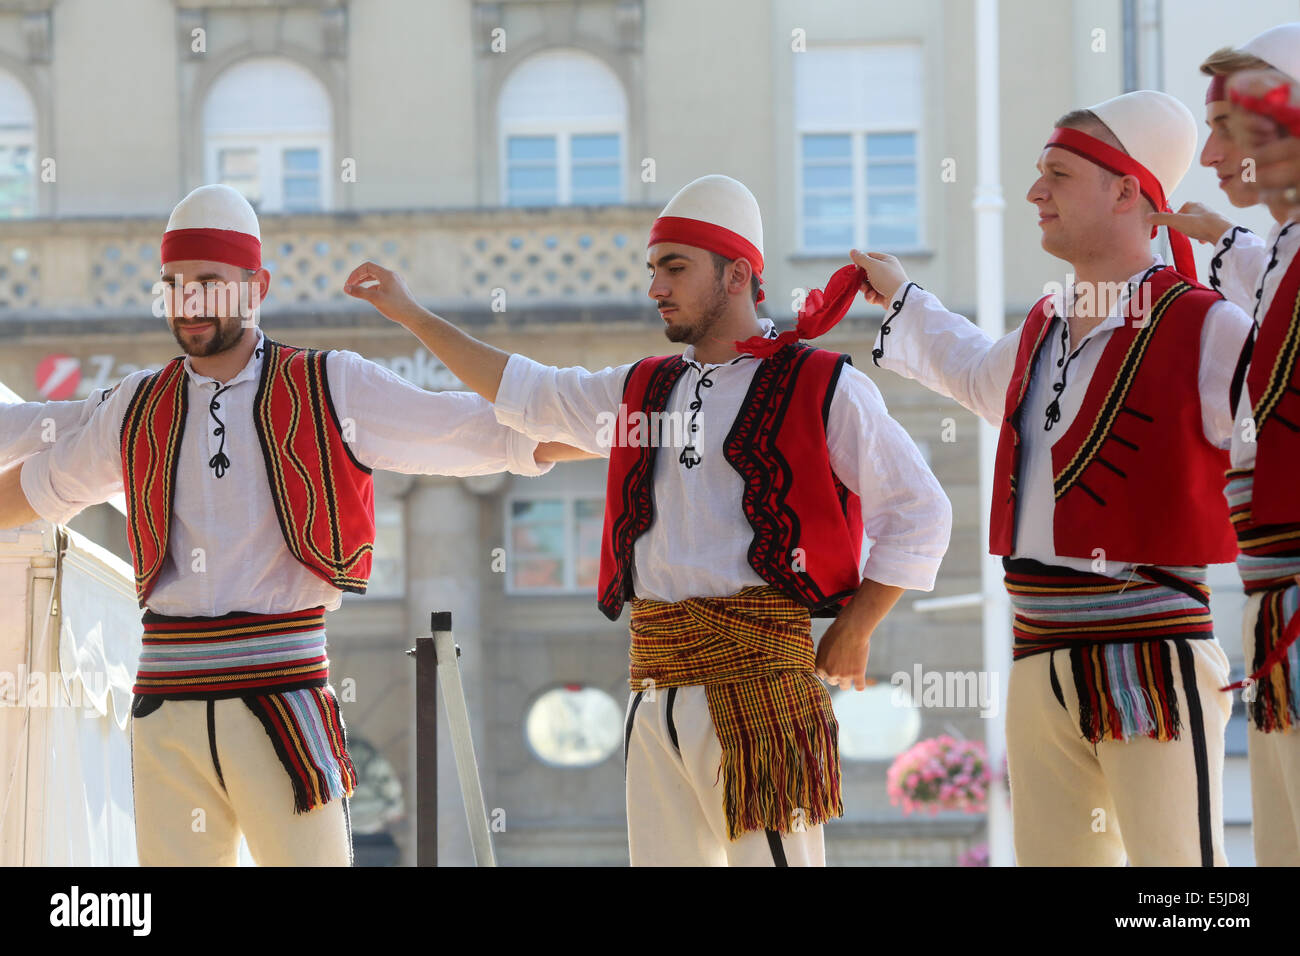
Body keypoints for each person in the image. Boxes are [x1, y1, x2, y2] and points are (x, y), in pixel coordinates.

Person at [341, 174, 952, 866]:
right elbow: (527, 391)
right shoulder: (644, 388)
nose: (656, 287)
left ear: (737, 275)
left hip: (758, 685)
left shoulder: (824, 385)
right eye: (654, 269)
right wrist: (412, 314)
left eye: (675, 268)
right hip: (654, 688)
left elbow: (922, 511)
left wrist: (856, 627)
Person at [0, 184, 577, 866]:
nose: (190, 302)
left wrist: (619, 427)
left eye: (210, 283)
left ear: (256, 285)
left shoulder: (332, 384)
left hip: (282, 701)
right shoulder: (135, 404)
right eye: (176, 286)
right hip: (166, 707)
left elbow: (481, 432)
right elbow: (39, 479)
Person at [858, 91, 1254, 866]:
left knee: (1182, 895)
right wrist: (902, 295)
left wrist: (1241, 256)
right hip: (1037, 655)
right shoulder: (1041, 330)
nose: (1035, 192)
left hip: (1153, 653)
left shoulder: (1207, 324)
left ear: (1126, 191)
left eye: (1058, 175)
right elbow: (970, 368)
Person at [1163, 23, 1300, 865]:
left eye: (1226, 129)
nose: (1209, 153)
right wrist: (1220, 236)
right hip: (1274, 600)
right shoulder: (1282, 252)